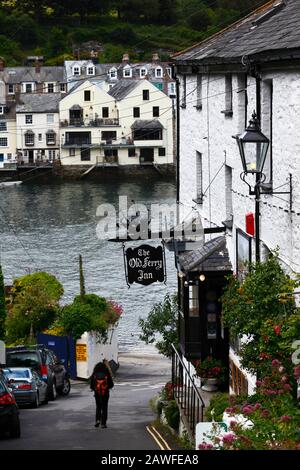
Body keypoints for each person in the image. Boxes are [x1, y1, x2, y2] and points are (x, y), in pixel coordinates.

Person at [90, 360, 114, 428]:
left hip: (97, 392)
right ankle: (103, 423)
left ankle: (97, 420)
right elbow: (111, 384)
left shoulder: (95, 373)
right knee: (104, 407)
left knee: (98, 406)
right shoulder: (106, 372)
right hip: (105, 393)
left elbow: (92, 383)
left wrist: (93, 388)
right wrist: (108, 387)